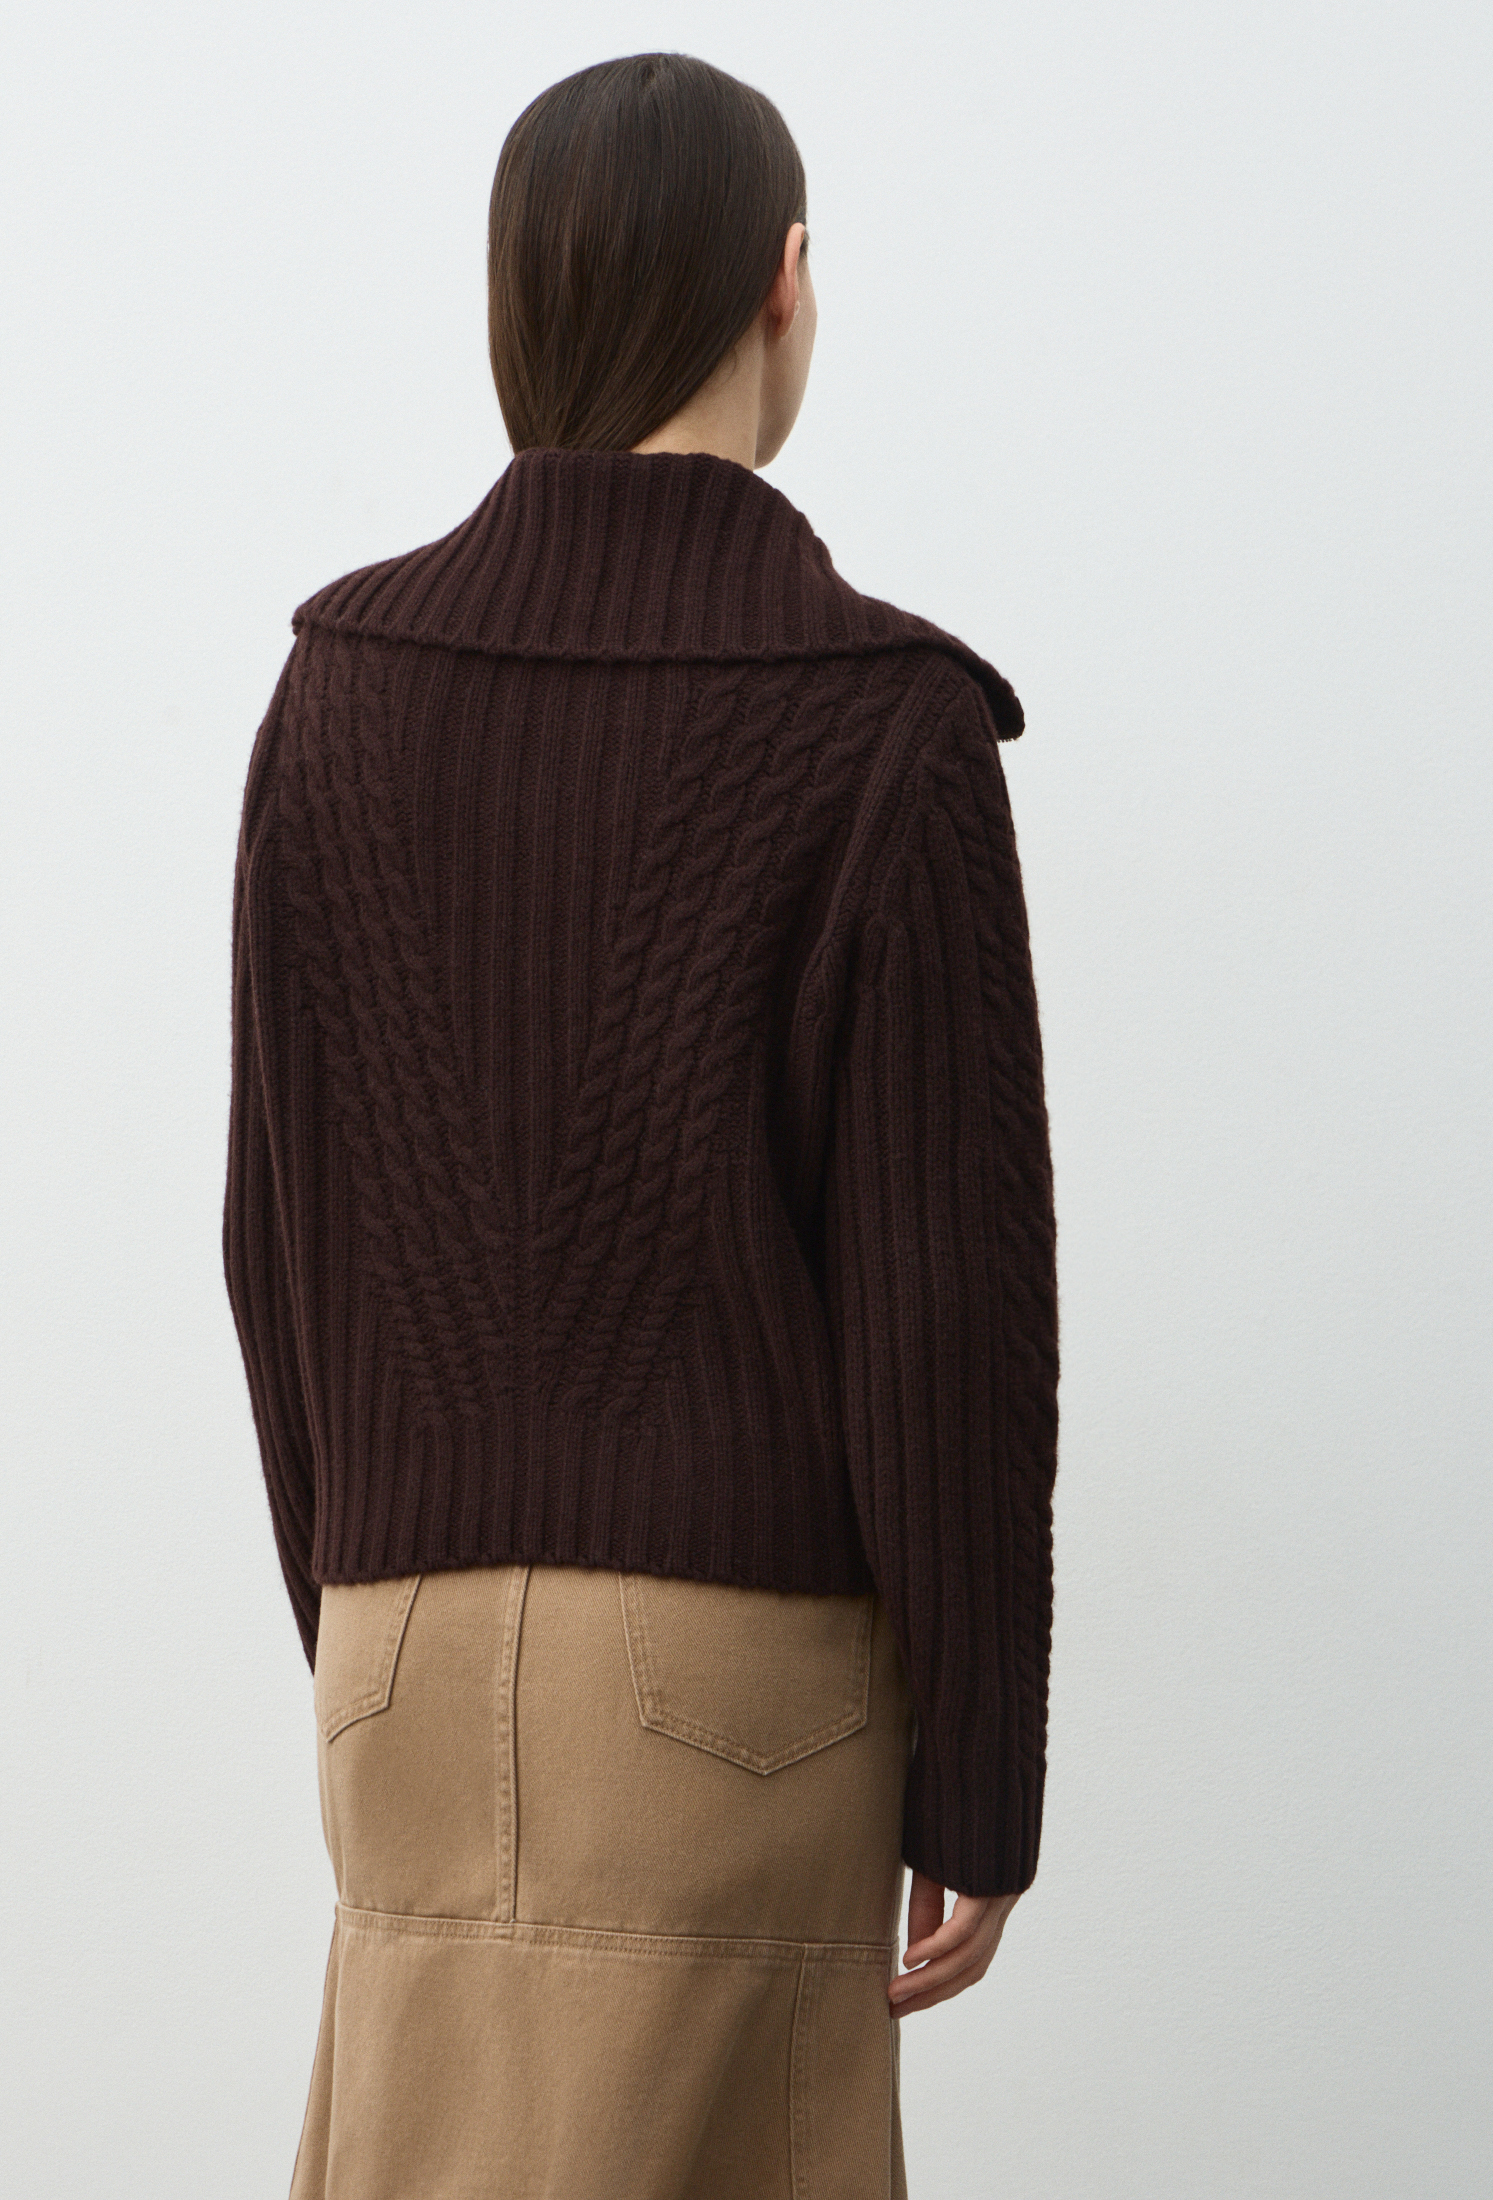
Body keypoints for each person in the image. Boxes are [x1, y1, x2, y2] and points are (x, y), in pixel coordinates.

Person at [223, 49, 1060, 2200]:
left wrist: (371, 1602)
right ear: (786, 283)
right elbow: (943, 1307)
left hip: (396, 1655)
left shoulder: (333, 685)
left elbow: (274, 1233)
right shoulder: (879, 723)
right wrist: (982, 1763)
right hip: (735, 1686)